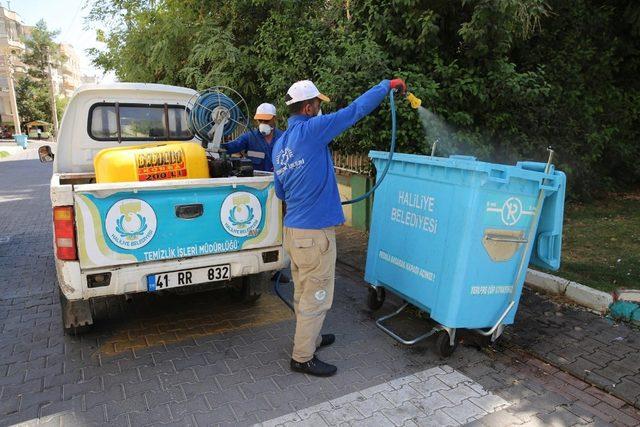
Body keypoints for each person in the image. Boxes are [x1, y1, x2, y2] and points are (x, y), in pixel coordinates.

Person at [272, 78, 406, 376]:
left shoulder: (280, 144)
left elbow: (280, 192)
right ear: (308, 107)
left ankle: (313, 338)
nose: (321, 109)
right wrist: (385, 86)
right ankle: (302, 357)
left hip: (293, 232)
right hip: (315, 234)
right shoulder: (313, 131)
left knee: (303, 290)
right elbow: (356, 110)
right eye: (318, 105)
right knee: (316, 295)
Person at [221, 103, 283, 172]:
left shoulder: (283, 138)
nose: (263, 123)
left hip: (278, 180)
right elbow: (231, 147)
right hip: (256, 181)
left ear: (274, 119)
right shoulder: (249, 138)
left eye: (266, 121)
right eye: (260, 120)